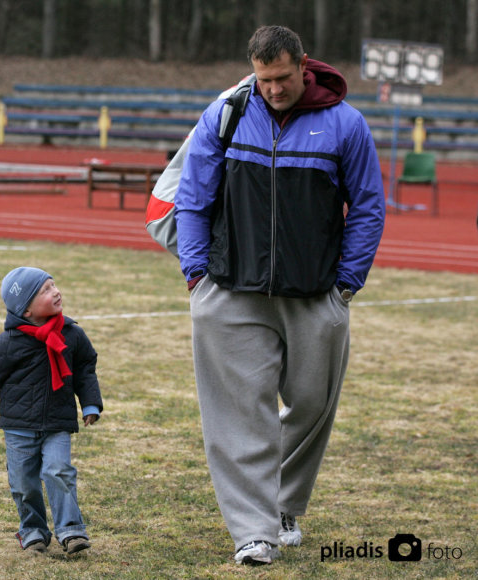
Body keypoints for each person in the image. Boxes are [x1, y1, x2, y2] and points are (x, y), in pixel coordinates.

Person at [174, 26, 385, 565]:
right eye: (264, 79)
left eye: (283, 78)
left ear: (303, 66)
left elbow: (367, 208)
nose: (273, 89)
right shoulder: (227, 114)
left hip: (315, 294)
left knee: (312, 401)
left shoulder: (345, 123)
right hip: (231, 289)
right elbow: (194, 196)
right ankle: (253, 531)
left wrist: (346, 284)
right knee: (241, 414)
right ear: (254, 72)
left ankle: (284, 502)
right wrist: (197, 277)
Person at [0, 267, 103, 555]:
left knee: (59, 471)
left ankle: (71, 530)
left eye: (54, 285)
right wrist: (9, 398)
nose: (56, 292)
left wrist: (90, 402)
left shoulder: (71, 334)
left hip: (57, 422)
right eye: (45, 290)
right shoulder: (7, 344)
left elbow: (85, 368)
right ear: (27, 309)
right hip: (19, 426)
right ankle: (33, 531)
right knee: (24, 483)